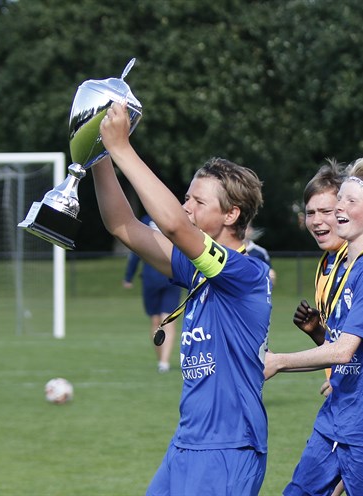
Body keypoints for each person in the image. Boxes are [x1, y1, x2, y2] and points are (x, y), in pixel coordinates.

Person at [96, 102, 271, 495]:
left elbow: (174, 226)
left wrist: (122, 148)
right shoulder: (196, 269)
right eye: (186, 197)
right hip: (187, 443)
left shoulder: (247, 273)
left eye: (198, 202)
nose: (185, 207)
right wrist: (100, 156)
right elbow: (122, 225)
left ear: (231, 215)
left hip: (227, 448)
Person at [265, 155, 363, 495]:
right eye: (340, 199)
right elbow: (339, 347)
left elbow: (344, 351)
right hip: (337, 415)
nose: (340, 207)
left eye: (351, 201)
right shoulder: (347, 266)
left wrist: (278, 361)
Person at [293, 162, 346, 347]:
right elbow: (341, 347)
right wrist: (317, 331)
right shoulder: (327, 262)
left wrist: (279, 360)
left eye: (326, 211)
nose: (316, 220)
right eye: (310, 213)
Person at [123, 214, 182, 373]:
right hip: (159, 278)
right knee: (160, 322)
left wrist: (128, 277)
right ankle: (162, 361)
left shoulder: (161, 219)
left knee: (163, 321)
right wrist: (128, 276)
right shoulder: (155, 220)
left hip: (165, 278)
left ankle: (164, 362)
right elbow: (137, 249)